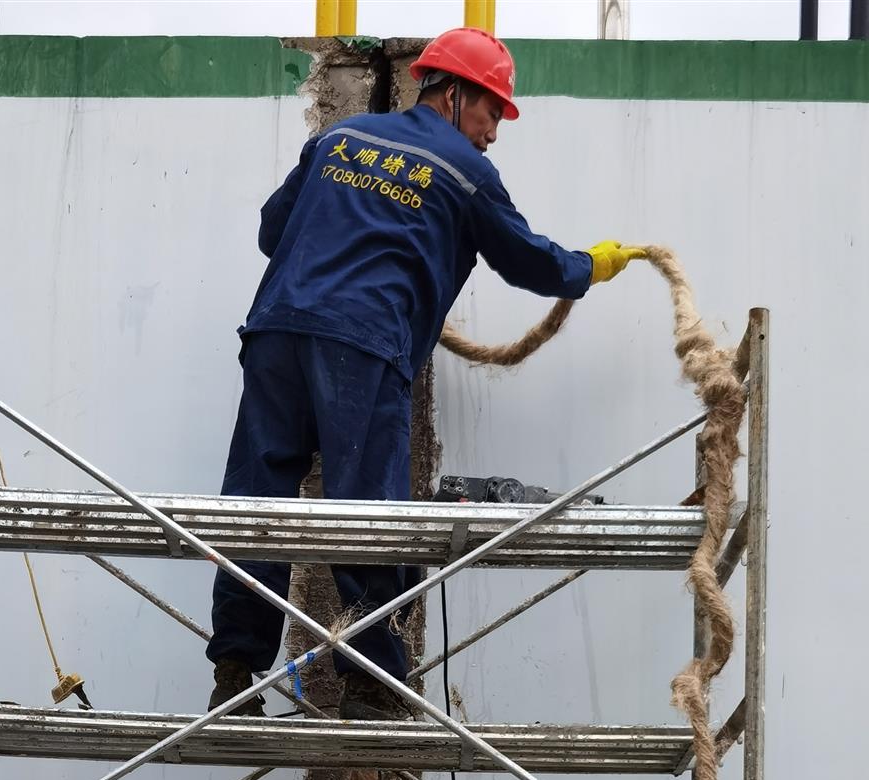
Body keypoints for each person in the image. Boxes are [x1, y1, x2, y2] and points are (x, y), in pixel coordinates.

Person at [206, 27, 644, 723]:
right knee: (370, 511)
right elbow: (530, 262)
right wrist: (591, 265)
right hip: (362, 343)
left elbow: (271, 230)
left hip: (276, 333)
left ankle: (234, 668)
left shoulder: (335, 141)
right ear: (453, 93)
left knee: (259, 502)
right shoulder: (467, 173)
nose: (495, 131)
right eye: (492, 109)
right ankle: (371, 681)